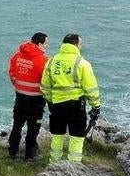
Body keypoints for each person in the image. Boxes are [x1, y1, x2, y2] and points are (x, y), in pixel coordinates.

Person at [40, 33, 101, 163]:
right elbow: (91, 88)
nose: (81, 46)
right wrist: (96, 106)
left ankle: (54, 163)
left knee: (57, 135)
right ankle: (74, 165)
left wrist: (50, 101)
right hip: (76, 105)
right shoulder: (82, 63)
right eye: (80, 44)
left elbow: (45, 85)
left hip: (57, 105)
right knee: (77, 137)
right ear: (75, 45)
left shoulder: (51, 61)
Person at [7, 32, 50, 161]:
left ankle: (12, 151)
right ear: (40, 43)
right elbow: (47, 80)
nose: (47, 46)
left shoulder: (17, 55)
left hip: (20, 97)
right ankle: (30, 154)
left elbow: (12, 71)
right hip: (36, 100)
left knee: (17, 125)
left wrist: (17, 84)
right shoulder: (44, 60)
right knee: (33, 127)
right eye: (46, 43)